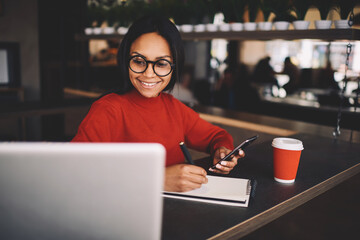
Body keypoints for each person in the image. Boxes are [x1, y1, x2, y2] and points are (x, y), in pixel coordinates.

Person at [72, 15, 244, 193]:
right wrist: (156, 179)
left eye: (161, 63)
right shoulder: (108, 109)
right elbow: (74, 170)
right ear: (126, 59)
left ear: (174, 67)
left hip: (180, 212)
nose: (148, 74)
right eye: (139, 61)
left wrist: (222, 151)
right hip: (127, 213)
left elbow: (217, 136)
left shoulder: (174, 108)